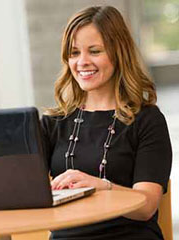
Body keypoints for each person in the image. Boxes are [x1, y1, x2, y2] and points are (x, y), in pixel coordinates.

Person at [41, 5, 172, 240]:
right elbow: (18, 191)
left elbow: (146, 207)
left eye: (94, 51)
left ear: (118, 53)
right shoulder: (53, 122)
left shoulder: (148, 121)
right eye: (74, 53)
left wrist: (101, 185)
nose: (82, 62)